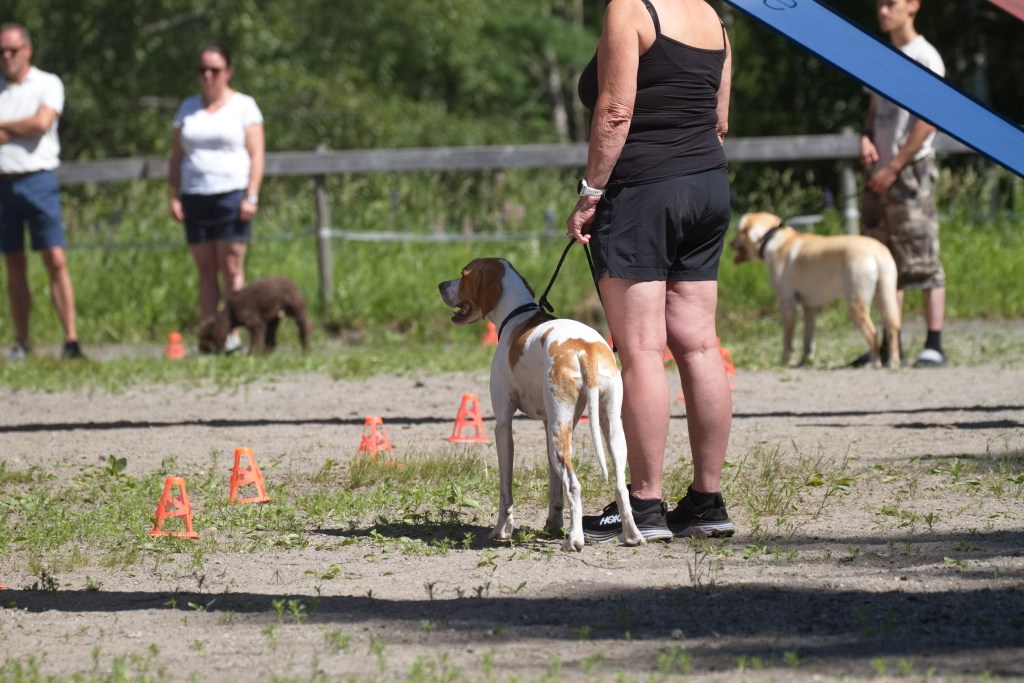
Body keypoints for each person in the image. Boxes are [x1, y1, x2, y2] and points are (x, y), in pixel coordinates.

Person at [567, 0, 735, 542]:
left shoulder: (631, 10)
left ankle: (645, 503)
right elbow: (720, 120)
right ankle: (707, 502)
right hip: (708, 186)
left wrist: (591, 192)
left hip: (643, 189)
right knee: (700, 344)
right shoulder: (713, 19)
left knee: (640, 348)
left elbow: (616, 110)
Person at [854, 0, 947, 368]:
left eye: (891, 3)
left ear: (913, 6)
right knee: (883, 254)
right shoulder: (880, 55)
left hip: (910, 170)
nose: (882, 11)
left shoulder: (926, 57)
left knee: (922, 254)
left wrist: (894, 165)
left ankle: (934, 344)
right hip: (880, 172)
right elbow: (875, 111)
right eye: (879, 4)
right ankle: (892, 343)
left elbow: (929, 118)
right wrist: (865, 137)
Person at [169, 43, 264, 353]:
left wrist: (252, 194)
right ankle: (211, 335)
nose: (208, 76)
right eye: (203, 70)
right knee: (206, 270)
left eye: (215, 70)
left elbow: (257, 153)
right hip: (195, 195)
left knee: (232, 266)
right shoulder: (188, 107)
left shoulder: (244, 106)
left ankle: (234, 333)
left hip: (231, 194)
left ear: (228, 72)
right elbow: (176, 156)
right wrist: (174, 195)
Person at [0, 22, 84, 361]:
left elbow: (41, 123)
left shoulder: (48, 83)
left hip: (38, 179)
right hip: (3, 182)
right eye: (2, 51)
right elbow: (30, 126)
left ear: (28, 50)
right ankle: (23, 342)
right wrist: (22, 127)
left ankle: (71, 340)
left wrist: (7, 127)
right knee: (14, 262)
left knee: (55, 258)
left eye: (13, 50)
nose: (7, 57)